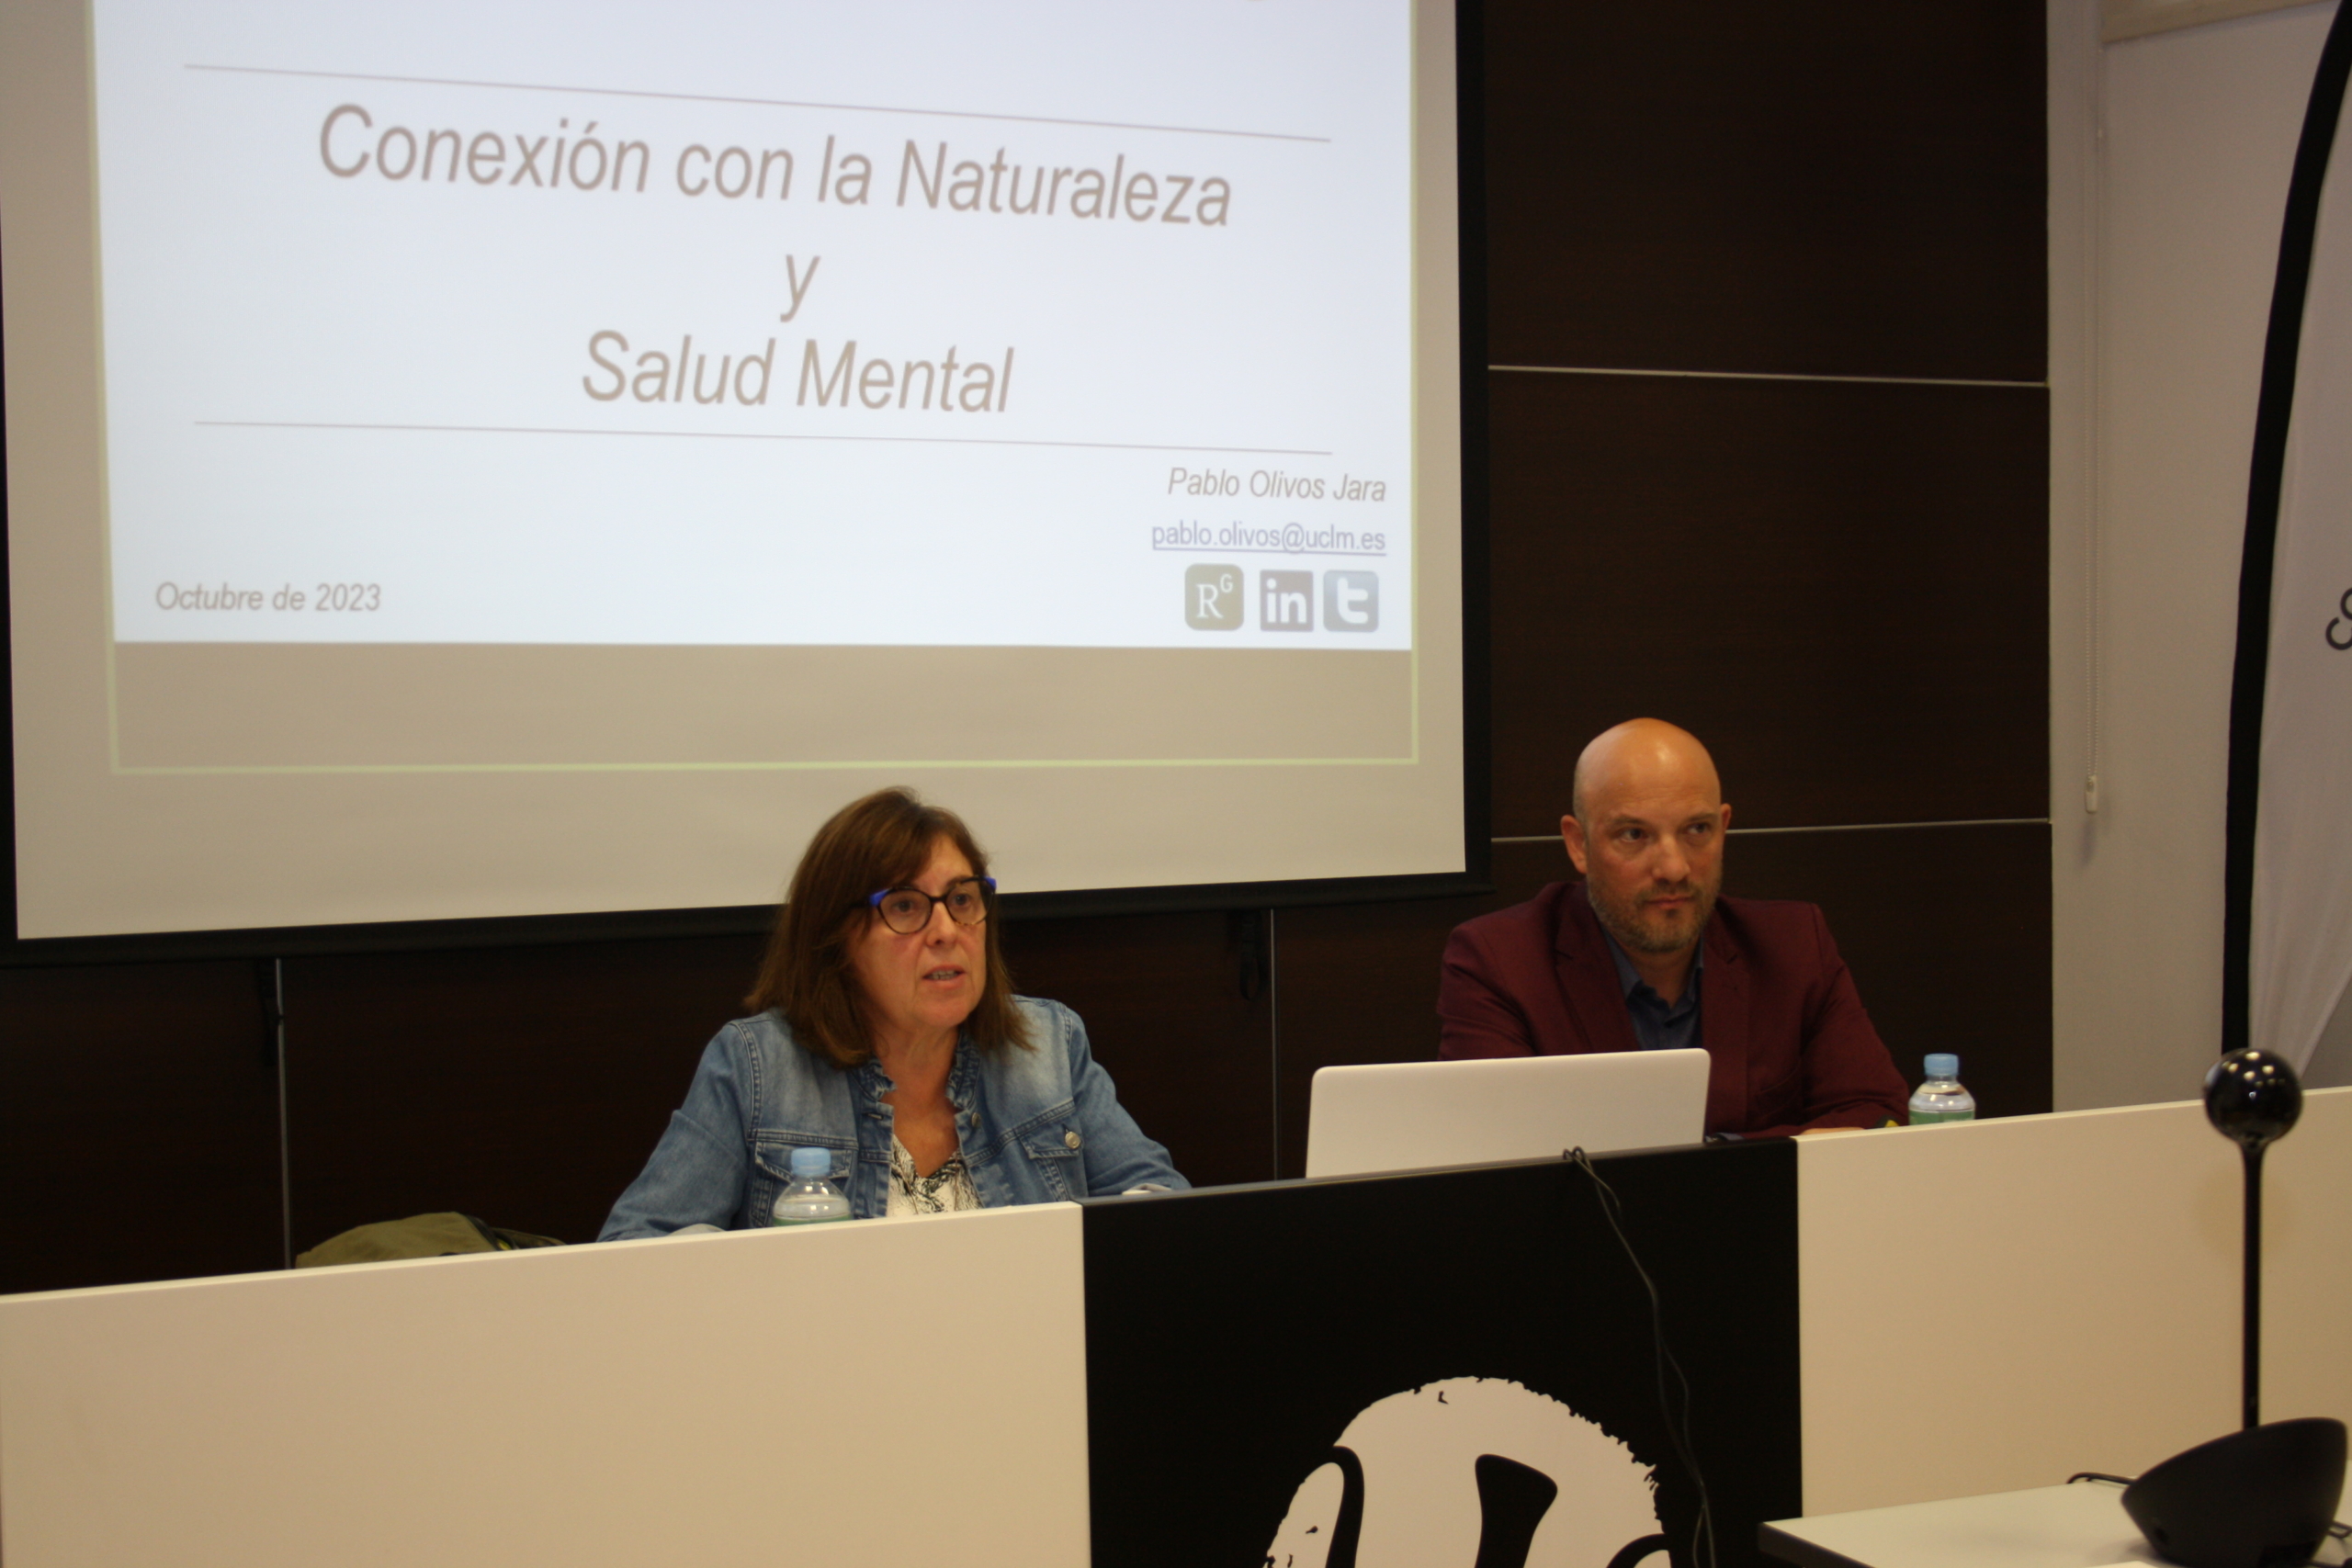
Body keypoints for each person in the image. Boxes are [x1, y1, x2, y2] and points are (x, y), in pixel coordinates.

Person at [602, 788, 1186, 1236]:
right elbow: (635, 1249)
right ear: (838, 938)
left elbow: (1160, 1200)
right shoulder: (758, 1066)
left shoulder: (1048, 1042)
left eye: (962, 900)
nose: (946, 931)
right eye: (906, 906)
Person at [1438, 718, 1910, 1138]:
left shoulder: (1794, 945)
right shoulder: (1500, 963)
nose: (1674, 868)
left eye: (1696, 830)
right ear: (1578, 844)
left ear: (1723, 827)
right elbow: (1496, 1158)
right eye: (1634, 835)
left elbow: (1877, 1117)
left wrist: (1713, 1158)